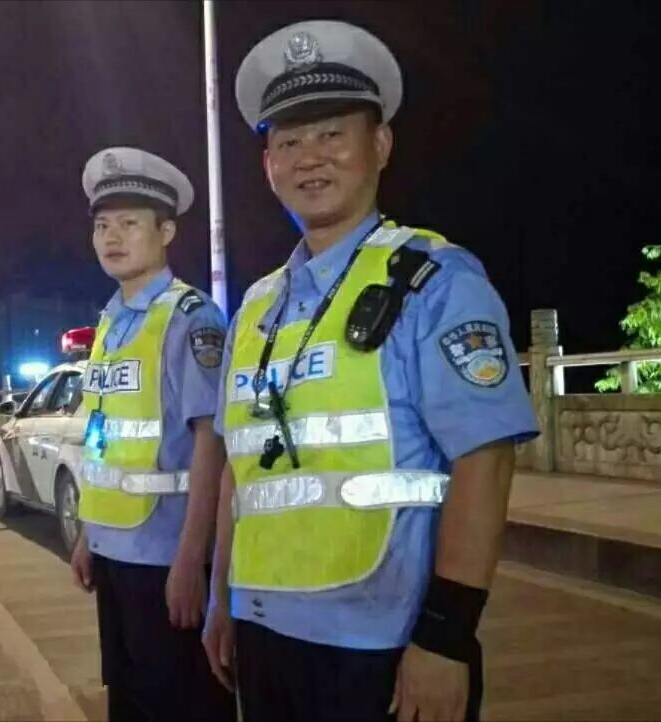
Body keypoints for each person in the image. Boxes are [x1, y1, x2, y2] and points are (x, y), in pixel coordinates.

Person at [201, 19, 540, 722]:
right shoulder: (256, 308)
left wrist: (446, 637)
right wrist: (222, 599)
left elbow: (486, 460)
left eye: (332, 134)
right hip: (264, 636)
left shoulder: (433, 281)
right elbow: (242, 470)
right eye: (289, 142)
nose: (309, 158)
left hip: (383, 646)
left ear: (379, 145)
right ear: (268, 166)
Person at [70, 146, 236, 722]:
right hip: (114, 553)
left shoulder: (191, 318)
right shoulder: (111, 322)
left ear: (166, 232)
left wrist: (192, 559)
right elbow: (103, 433)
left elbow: (213, 442)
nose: (112, 237)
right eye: (102, 225)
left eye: (129, 223)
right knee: (129, 700)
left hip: (166, 558)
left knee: (181, 704)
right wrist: (89, 534)